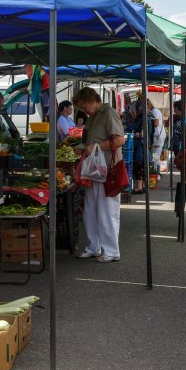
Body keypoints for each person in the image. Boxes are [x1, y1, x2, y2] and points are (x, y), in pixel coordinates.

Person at [73, 87, 125, 263]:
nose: (83, 110)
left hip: (108, 169)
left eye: (83, 106)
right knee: (90, 209)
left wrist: (96, 147)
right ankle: (93, 246)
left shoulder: (108, 113)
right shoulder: (93, 117)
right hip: (94, 170)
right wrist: (83, 148)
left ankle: (112, 250)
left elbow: (119, 140)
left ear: (90, 101)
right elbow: (90, 140)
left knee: (107, 210)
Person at [127, 100, 153, 194]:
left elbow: (143, 133)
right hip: (143, 145)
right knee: (141, 166)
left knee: (139, 166)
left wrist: (134, 133)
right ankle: (140, 187)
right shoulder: (146, 117)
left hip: (141, 145)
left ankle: (138, 188)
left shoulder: (144, 118)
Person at [148, 99, 166, 176]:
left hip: (157, 137)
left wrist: (148, 122)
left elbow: (156, 123)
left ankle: (156, 174)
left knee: (155, 156)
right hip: (156, 137)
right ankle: (156, 174)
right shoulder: (153, 111)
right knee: (155, 156)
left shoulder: (155, 111)